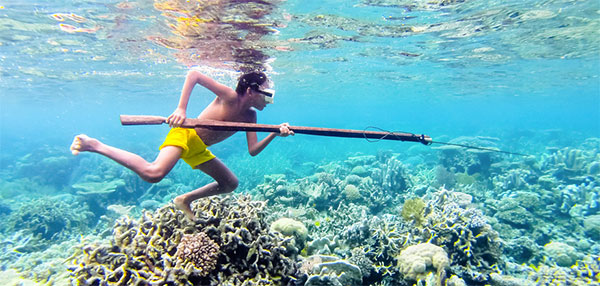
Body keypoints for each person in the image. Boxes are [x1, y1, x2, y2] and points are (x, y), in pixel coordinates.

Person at [70, 69, 293, 220]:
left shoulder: (250, 117)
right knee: (154, 173)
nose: (269, 101)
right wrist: (181, 110)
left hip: (197, 146)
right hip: (184, 134)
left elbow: (252, 151)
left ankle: (184, 199)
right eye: (267, 95)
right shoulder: (228, 96)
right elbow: (194, 74)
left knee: (230, 183)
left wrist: (274, 134)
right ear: (250, 91)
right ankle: (95, 145)